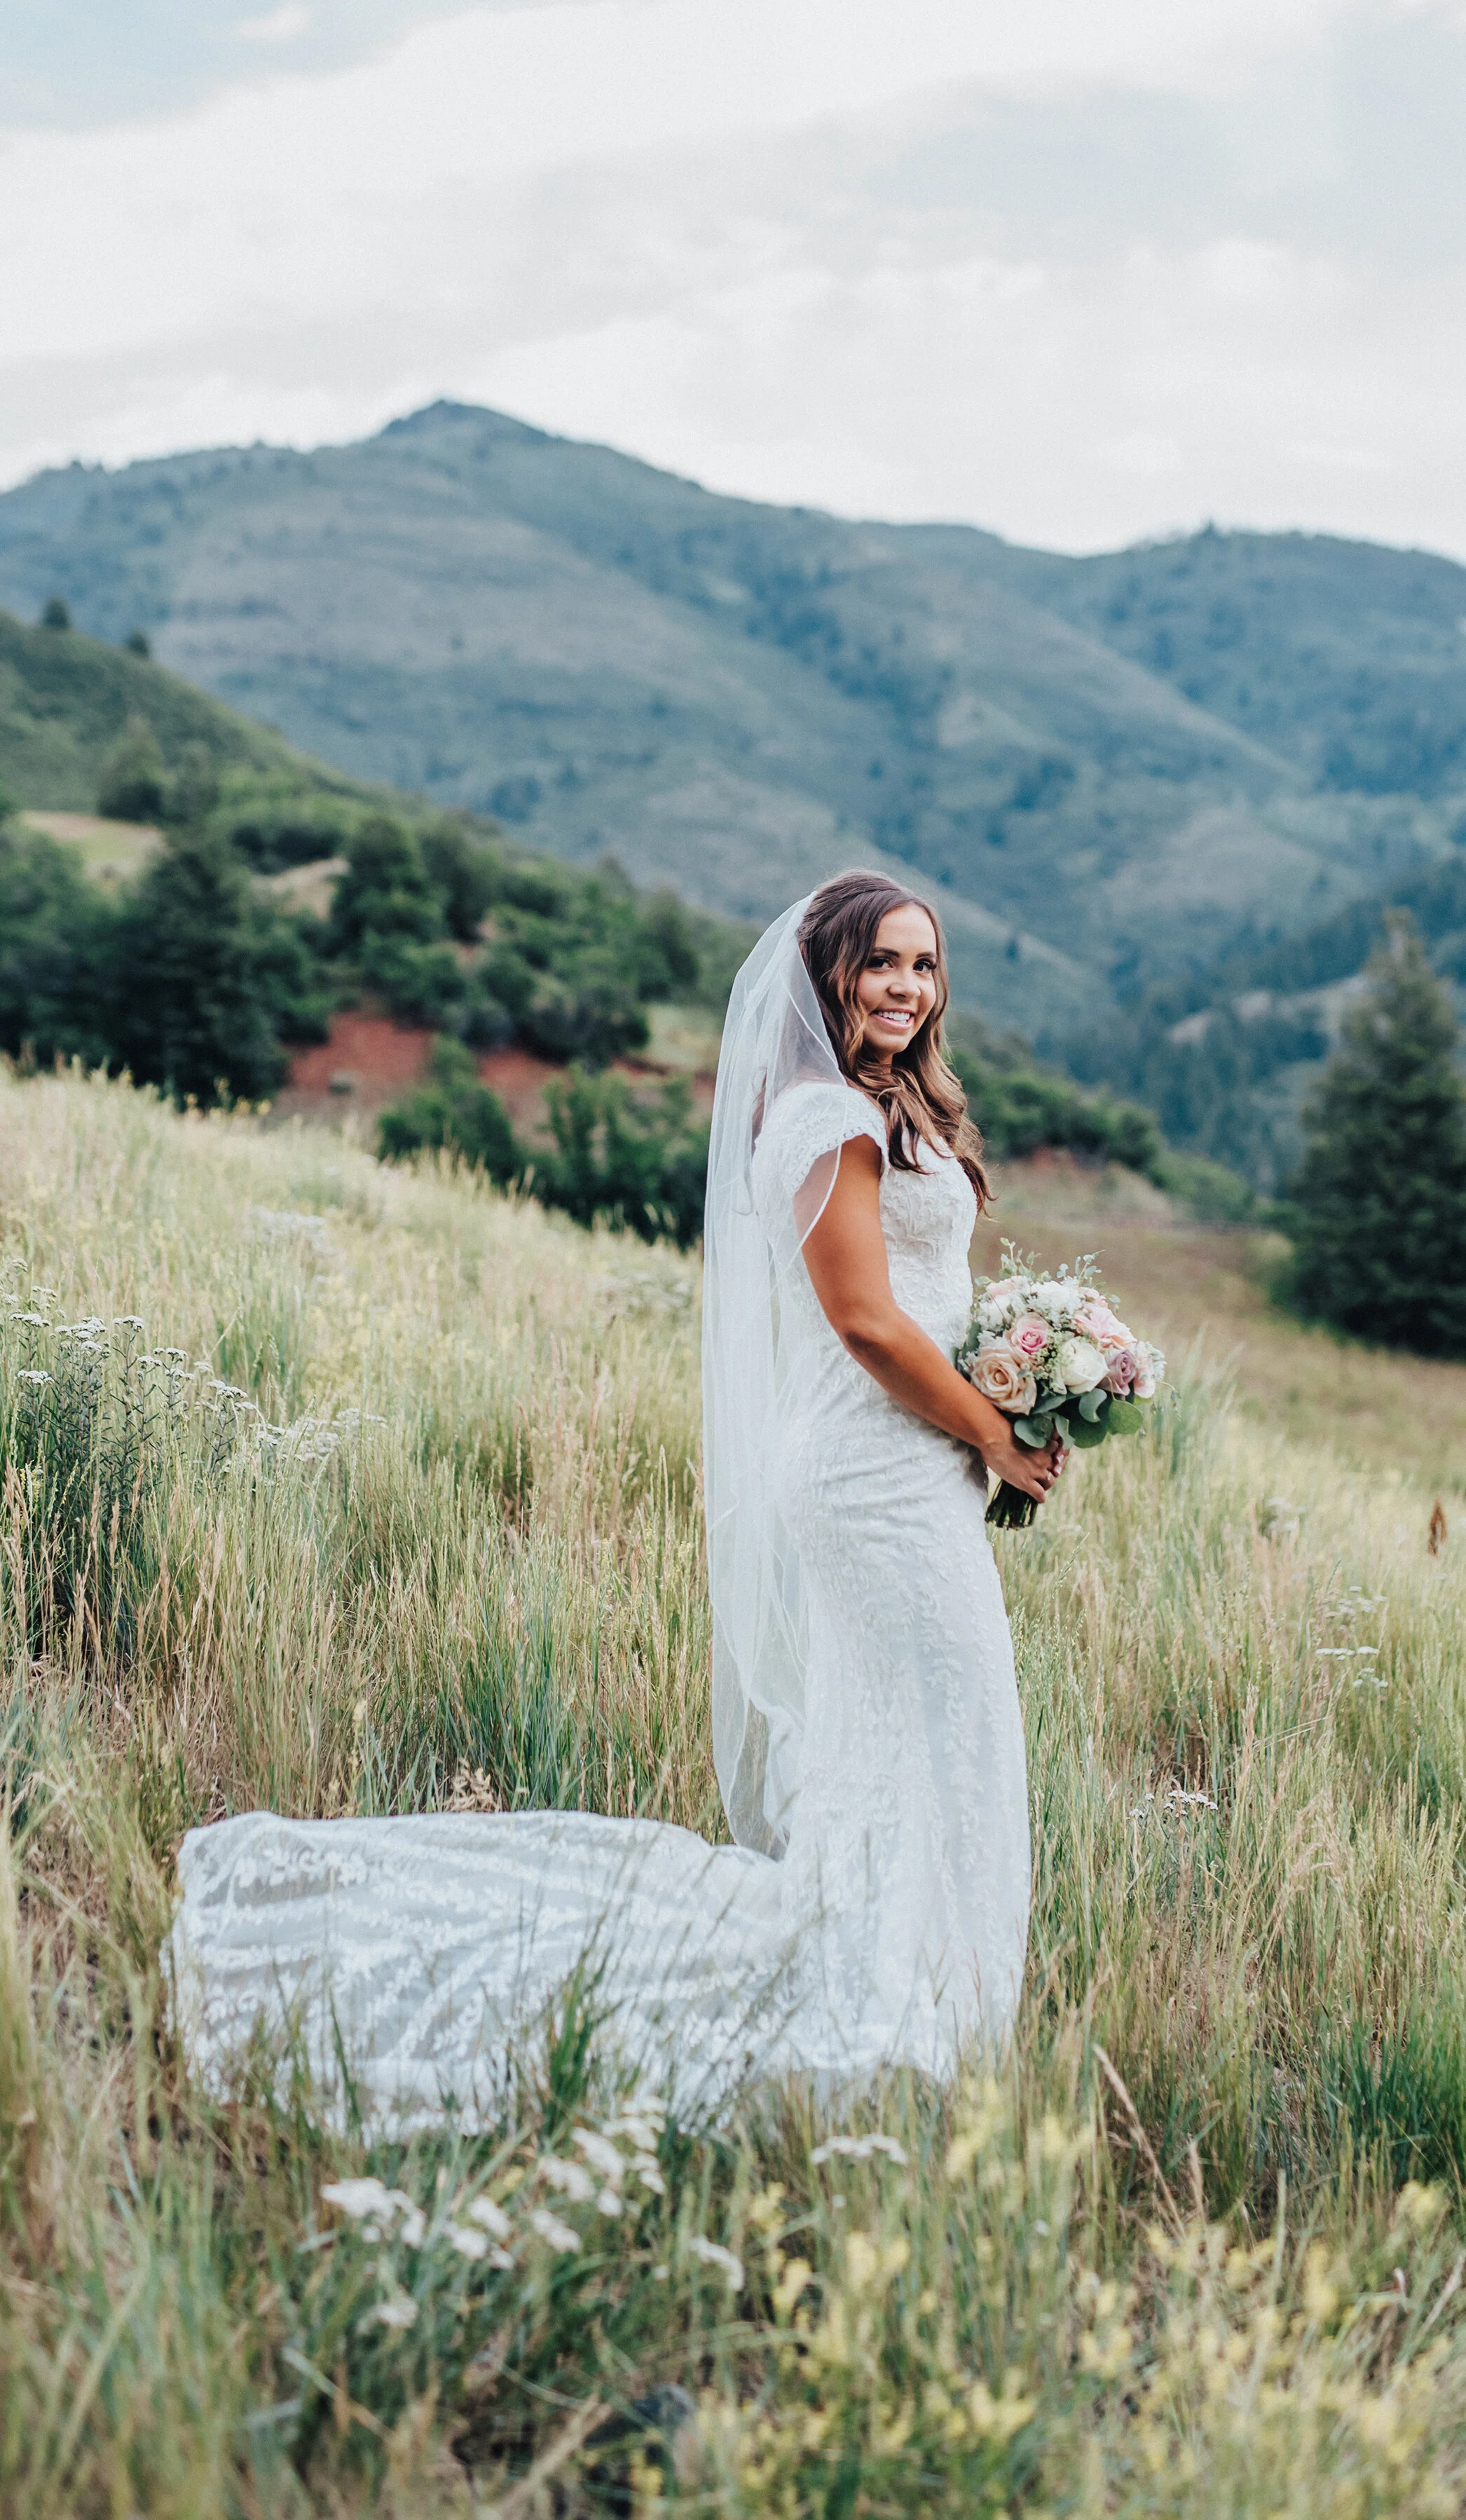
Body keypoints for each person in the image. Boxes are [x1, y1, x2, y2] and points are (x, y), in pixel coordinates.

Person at [168, 871, 1060, 2121]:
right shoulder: (825, 1118)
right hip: (876, 1466)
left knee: (907, 1724)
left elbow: (914, 1297)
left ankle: (909, 1961)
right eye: (882, 963)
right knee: (951, 1707)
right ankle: (906, 1984)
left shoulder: (875, 1104)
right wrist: (995, 1430)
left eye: (924, 963)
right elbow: (863, 1319)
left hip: (912, 1461)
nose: (909, 986)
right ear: (829, 977)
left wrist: (1018, 1373)